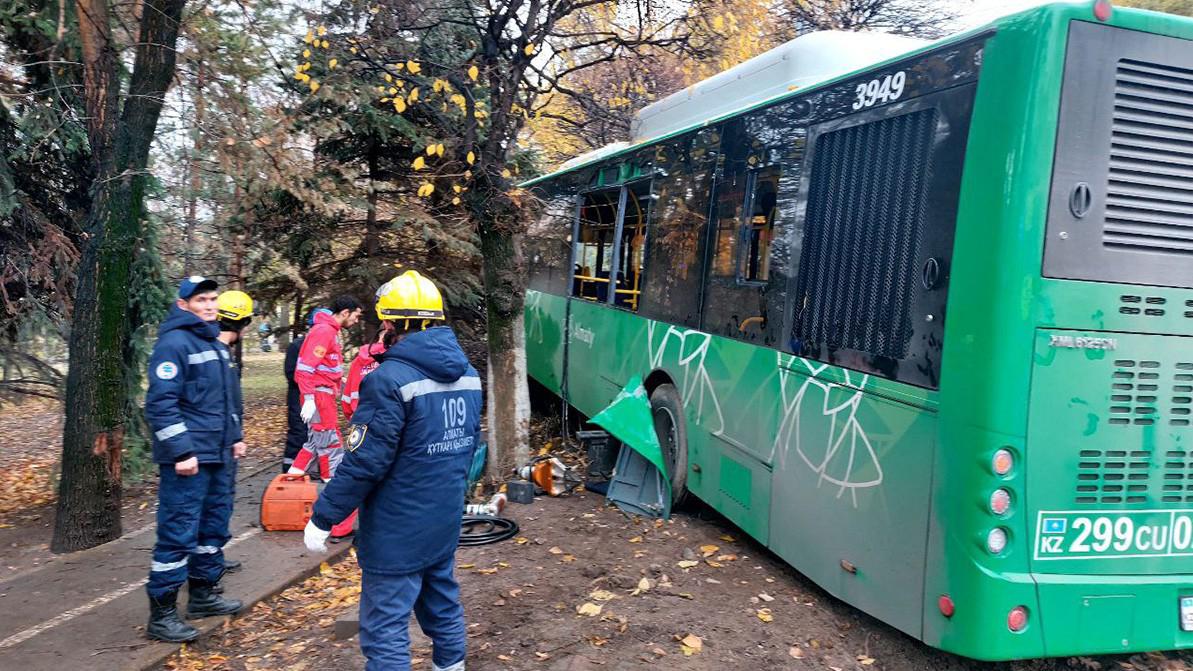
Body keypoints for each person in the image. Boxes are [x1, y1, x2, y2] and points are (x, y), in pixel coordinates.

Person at [304, 270, 481, 671]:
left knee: (385, 627)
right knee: (442, 604)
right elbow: (467, 448)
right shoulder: (470, 376)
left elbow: (364, 462)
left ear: (388, 324)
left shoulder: (388, 380)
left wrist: (324, 517)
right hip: (443, 519)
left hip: (396, 530)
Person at [143, 276, 244, 643]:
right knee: (178, 531)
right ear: (184, 304)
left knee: (213, 528)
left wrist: (235, 438)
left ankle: (202, 595)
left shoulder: (214, 343)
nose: (210, 305)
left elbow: (226, 400)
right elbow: (160, 405)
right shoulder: (173, 344)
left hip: (218, 455)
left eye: (213, 299)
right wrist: (181, 452)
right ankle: (163, 614)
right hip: (189, 460)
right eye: (201, 299)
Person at [289, 296, 362, 539]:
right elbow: (305, 368)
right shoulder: (323, 331)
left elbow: (323, 366)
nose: (357, 319)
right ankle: (335, 518)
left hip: (323, 394)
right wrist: (310, 398)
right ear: (344, 312)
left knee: (312, 444)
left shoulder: (331, 331)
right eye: (356, 315)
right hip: (319, 398)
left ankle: (289, 486)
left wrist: (336, 381)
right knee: (332, 450)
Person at [214, 290, 254, 578]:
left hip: (224, 439)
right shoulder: (217, 354)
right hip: (217, 444)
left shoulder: (221, 353)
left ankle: (212, 555)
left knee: (221, 501)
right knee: (215, 502)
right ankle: (207, 562)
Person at [283, 308, 329, 473]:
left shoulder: (324, 344)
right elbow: (291, 373)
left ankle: (312, 469)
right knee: (298, 433)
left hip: (320, 398)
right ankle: (289, 470)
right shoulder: (297, 346)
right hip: (299, 398)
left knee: (319, 433)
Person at [341, 332, 386, 421]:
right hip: (385, 417)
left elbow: (347, 395)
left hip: (360, 417)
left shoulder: (357, 361)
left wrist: (350, 416)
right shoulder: (392, 359)